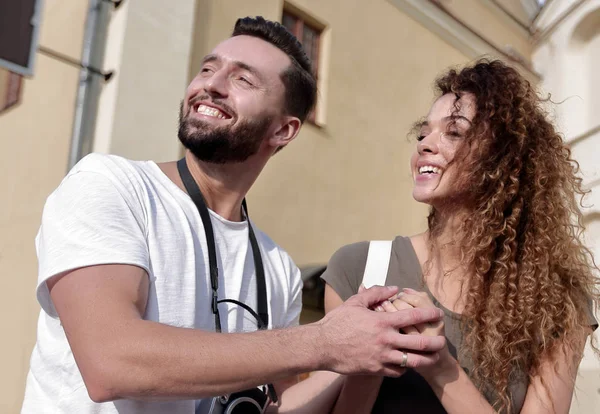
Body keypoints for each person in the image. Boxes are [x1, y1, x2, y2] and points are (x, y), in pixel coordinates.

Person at [21, 16, 447, 414]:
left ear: (284, 130)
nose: (212, 85)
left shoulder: (276, 267)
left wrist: (365, 342)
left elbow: (283, 404)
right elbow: (111, 361)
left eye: (242, 79)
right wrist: (322, 341)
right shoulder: (112, 185)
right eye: (208, 69)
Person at [322, 59, 599, 414]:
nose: (425, 145)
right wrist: (368, 365)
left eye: (453, 132)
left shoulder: (560, 300)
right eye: (424, 133)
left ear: (504, 161)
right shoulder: (358, 268)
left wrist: (441, 368)